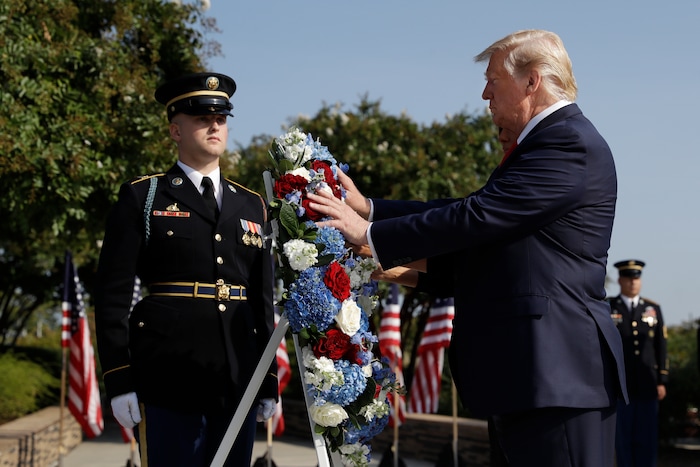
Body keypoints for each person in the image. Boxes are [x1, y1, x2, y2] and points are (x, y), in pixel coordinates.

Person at [308, 29, 628, 467]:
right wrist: (370, 208)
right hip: (531, 375)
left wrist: (367, 233)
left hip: (557, 375)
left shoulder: (567, 142)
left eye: (493, 80)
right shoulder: (543, 145)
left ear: (532, 81)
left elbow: (476, 217)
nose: (484, 94)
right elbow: (479, 226)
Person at [94, 72, 278, 467]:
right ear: (175, 130)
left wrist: (269, 380)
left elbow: (263, 303)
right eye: (201, 117)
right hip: (167, 375)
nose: (215, 125)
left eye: (222, 118)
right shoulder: (143, 196)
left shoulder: (252, 205)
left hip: (237, 376)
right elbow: (113, 295)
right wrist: (119, 378)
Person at [609, 260, 668, 467]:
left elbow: (661, 346)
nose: (633, 282)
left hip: (647, 384)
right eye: (629, 278)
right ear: (620, 280)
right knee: (623, 438)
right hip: (621, 385)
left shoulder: (652, 309)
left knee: (647, 437)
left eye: (636, 278)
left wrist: (662, 379)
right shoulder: (609, 307)